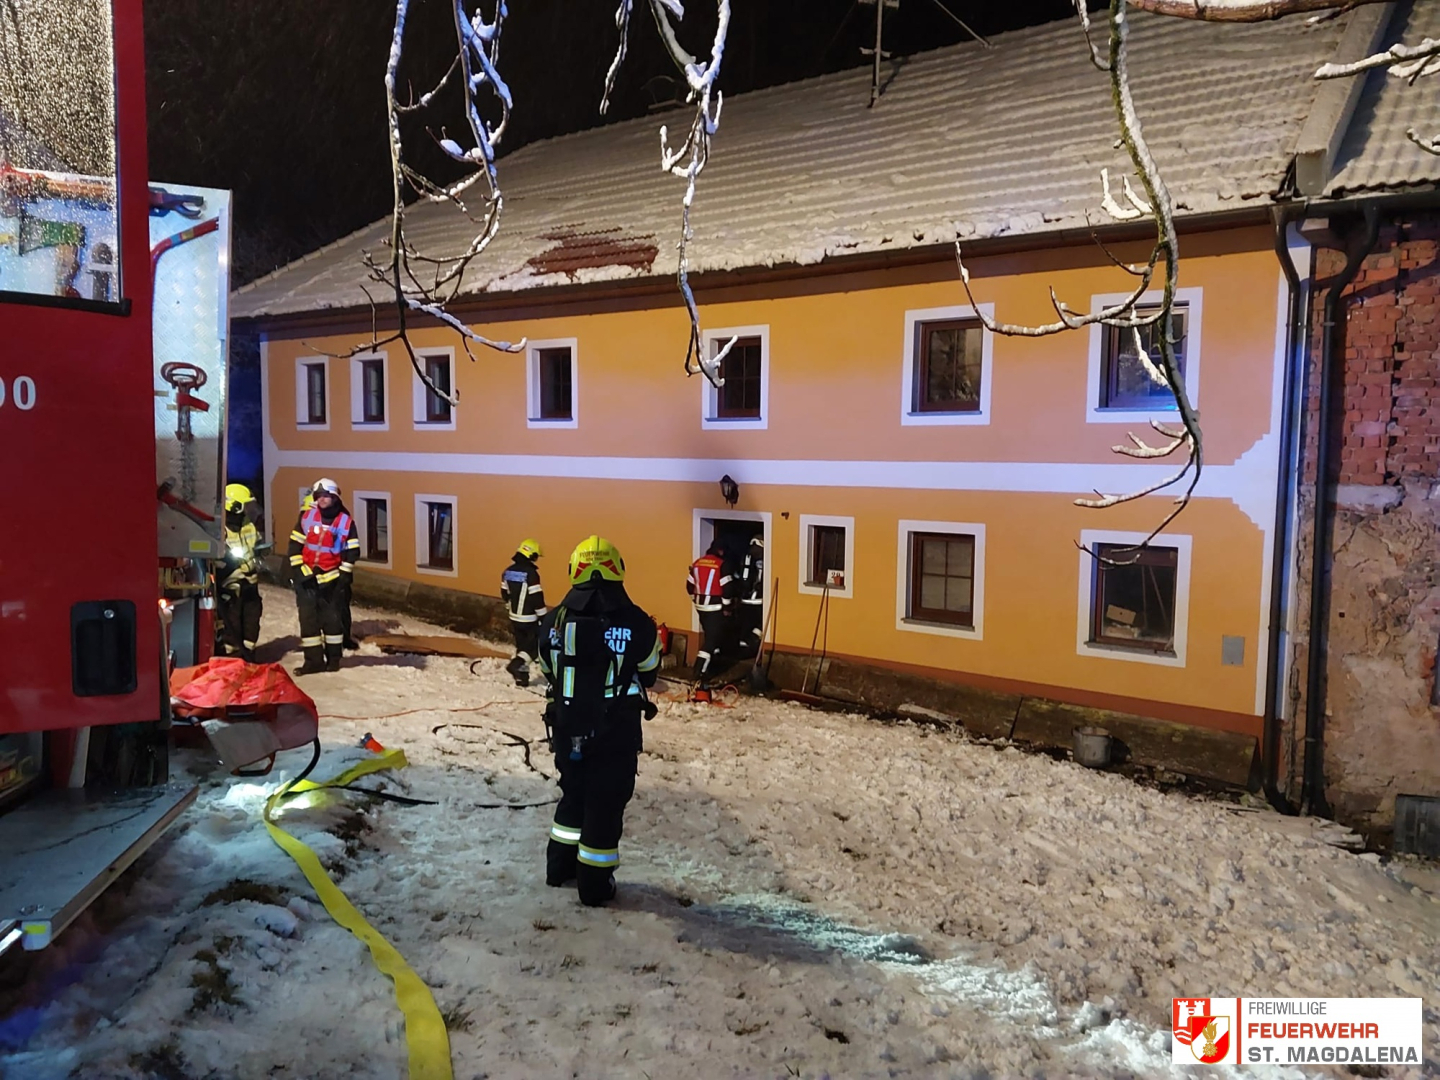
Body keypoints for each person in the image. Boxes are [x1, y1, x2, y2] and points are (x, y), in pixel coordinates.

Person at [538, 536, 660, 906]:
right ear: (617, 570)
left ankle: (559, 869)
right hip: (614, 732)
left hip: (566, 729)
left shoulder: (552, 621)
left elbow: (548, 669)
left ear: (575, 570)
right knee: (605, 803)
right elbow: (650, 671)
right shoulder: (638, 623)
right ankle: (593, 885)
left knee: (573, 793)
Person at [286, 478, 359, 674]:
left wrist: (344, 574)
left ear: (334, 498)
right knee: (308, 621)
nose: (322, 499)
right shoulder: (307, 517)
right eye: (319, 496)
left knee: (332, 621)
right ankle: (313, 661)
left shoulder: (345, 522)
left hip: (332, 579)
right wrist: (298, 569)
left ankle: (334, 659)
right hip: (307, 579)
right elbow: (294, 544)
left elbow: (352, 551)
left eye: (327, 496)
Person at [216, 483, 263, 661]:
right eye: (245, 506)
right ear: (233, 506)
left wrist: (260, 553)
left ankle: (249, 653)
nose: (248, 510)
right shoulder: (220, 528)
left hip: (250, 582)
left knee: (252, 617)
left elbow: (256, 545)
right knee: (231, 620)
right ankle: (231, 656)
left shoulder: (247, 525)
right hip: (230, 584)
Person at [686, 540, 733, 688]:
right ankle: (699, 672)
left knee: (711, 636)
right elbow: (728, 588)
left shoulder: (697, 563)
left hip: (701, 607)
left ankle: (713, 665)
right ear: (721, 551)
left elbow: (689, 586)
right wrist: (727, 606)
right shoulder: (721, 564)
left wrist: (696, 600)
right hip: (715, 607)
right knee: (712, 641)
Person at [501, 538, 547, 687]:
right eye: (536, 556)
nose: (536, 560)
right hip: (529, 618)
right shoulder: (531, 574)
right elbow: (536, 598)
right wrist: (544, 617)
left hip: (514, 617)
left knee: (522, 647)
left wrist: (510, 609)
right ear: (531, 555)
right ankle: (515, 665)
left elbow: (504, 593)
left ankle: (522, 677)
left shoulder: (507, 572)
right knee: (533, 648)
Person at [735, 534, 766, 656]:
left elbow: (740, 576)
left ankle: (743, 648)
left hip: (745, 599)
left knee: (745, 626)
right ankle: (751, 645)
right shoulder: (764, 556)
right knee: (758, 625)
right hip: (759, 600)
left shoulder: (746, 557)